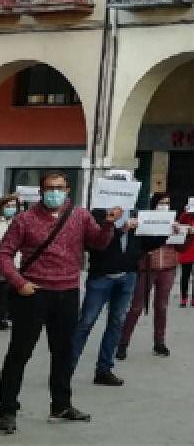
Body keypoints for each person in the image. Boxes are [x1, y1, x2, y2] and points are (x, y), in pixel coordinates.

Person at [0, 172, 122, 433]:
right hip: (33, 293)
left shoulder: (80, 216)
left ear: (68, 190)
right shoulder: (24, 220)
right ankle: (6, 409)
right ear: (41, 191)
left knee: (64, 353)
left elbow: (98, 243)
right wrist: (19, 282)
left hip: (67, 292)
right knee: (19, 354)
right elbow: (4, 253)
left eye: (59, 188)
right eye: (49, 188)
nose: (54, 192)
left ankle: (61, 405)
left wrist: (109, 224)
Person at [70, 202, 169, 384]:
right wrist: (121, 229)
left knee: (116, 322)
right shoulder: (99, 213)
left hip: (127, 276)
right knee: (86, 321)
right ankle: (66, 369)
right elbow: (96, 243)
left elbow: (146, 243)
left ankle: (104, 369)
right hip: (102, 277)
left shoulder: (135, 213)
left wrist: (166, 231)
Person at [118, 195, 185, 359]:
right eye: (161, 203)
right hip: (147, 267)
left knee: (162, 306)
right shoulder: (145, 220)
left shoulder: (173, 221)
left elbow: (182, 248)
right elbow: (137, 244)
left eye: (167, 203)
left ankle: (159, 342)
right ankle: (123, 343)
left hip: (168, 267)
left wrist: (186, 234)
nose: (164, 206)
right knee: (136, 307)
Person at [0, 195, 19, 331]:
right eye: (8, 206)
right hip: (2, 266)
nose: (11, 209)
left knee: (10, 294)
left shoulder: (18, 222)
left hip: (16, 265)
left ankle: (7, 316)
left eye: (13, 206)